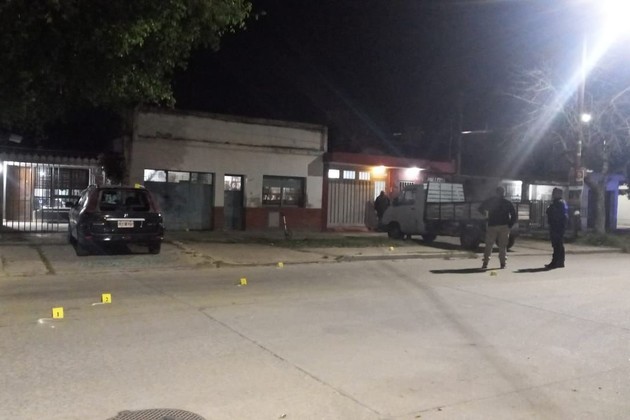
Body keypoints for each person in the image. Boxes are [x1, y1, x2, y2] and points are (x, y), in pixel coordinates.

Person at [478, 186, 517, 269]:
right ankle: (503, 263)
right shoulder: (507, 203)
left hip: (492, 225)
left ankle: (485, 263)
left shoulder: (490, 201)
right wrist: (510, 225)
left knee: (489, 245)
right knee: (502, 246)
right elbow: (514, 215)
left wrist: (486, 216)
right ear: (504, 193)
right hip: (504, 226)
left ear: (496, 192)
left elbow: (480, 208)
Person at [545, 187, 568, 269]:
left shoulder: (559, 203)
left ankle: (555, 262)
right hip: (557, 226)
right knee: (558, 244)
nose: (552, 194)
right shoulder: (558, 203)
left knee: (557, 245)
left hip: (557, 226)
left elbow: (557, 215)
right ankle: (560, 262)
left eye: (554, 193)